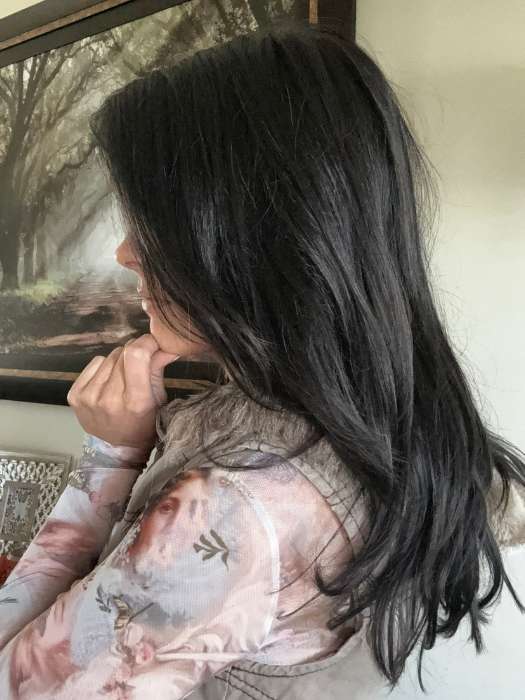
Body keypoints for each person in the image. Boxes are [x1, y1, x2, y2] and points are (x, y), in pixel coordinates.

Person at [1, 17, 524, 700]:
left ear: (247, 235)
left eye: (150, 222)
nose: (126, 253)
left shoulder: (238, 508)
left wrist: (108, 458)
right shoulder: (391, 424)